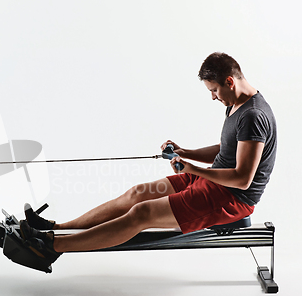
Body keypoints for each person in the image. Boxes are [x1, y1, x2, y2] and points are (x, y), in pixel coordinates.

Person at [19, 52, 277, 261]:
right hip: (211, 182)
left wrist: (194, 169)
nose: (212, 97)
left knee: (141, 213)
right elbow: (226, 149)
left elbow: (243, 179)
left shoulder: (253, 116)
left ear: (229, 81)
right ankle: (56, 227)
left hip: (231, 198)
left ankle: (52, 246)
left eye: (214, 90)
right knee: (136, 194)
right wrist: (185, 153)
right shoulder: (235, 103)